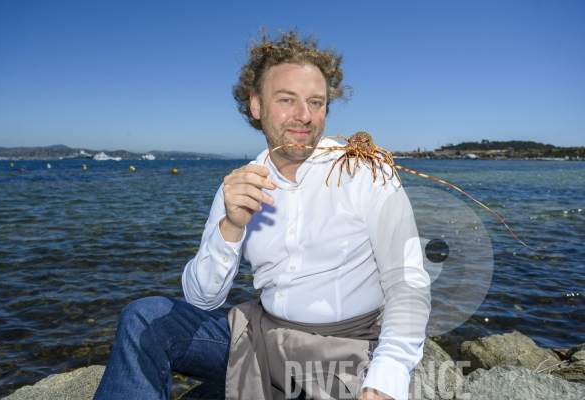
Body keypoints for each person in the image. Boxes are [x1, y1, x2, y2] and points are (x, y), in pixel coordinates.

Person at [94, 29, 430, 400]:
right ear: (256, 105)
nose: (305, 116)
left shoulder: (365, 171)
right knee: (144, 317)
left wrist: (387, 376)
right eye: (287, 99)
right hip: (261, 339)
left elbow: (408, 282)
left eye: (316, 102)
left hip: (347, 350)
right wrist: (231, 225)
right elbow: (201, 299)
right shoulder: (241, 185)